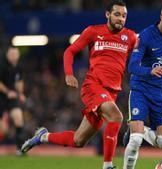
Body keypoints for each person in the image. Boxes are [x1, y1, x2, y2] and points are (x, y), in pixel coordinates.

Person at [21, 1, 137, 168]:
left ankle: (43, 136)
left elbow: (147, 51)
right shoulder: (93, 31)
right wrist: (69, 73)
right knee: (116, 116)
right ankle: (108, 165)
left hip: (111, 93)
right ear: (107, 14)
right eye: (117, 14)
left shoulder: (130, 37)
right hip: (93, 86)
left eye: (124, 15)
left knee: (78, 140)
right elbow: (70, 51)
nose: (121, 19)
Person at [123, 2, 162, 169]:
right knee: (135, 140)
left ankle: (139, 130)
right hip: (141, 90)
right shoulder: (145, 37)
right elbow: (132, 67)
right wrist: (150, 70)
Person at [0, 46, 26, 156]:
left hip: (12, 97)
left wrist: (20, 94)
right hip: (1, 97)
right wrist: (7, 92)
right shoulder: (2, 65)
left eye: (15, 54)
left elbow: (19, 81)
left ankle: (20, 149)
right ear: (7, 54)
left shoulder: (18, 66)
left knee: (18, 118)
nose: (13, 56)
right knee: (4, 130)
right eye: (11, 54)